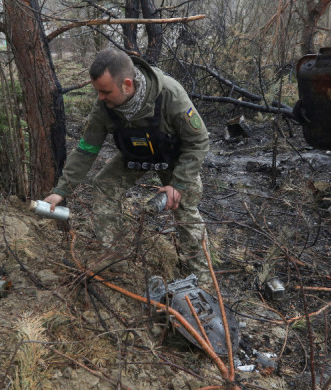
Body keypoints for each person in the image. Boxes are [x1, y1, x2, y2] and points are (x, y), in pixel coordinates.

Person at [43, 48, 210, 282]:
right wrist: (60, 191)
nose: (100, 97)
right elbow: (86, 149)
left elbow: (199, 141)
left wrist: (179, 184)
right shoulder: (103, 106)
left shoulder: (170, 95)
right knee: (103, 185)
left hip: (175, 158)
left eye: (105, 91)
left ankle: (202, 279)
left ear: (127, 85)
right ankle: (117, 256)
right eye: (97, 91)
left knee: (185, 212)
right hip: (136, 155)